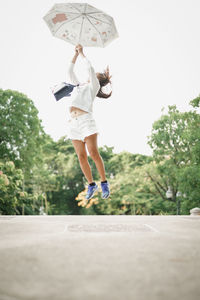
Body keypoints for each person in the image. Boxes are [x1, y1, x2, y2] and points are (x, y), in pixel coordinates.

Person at [66, 44, 112, 200]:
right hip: (73, 123)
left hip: (86, 121)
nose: (90, 76)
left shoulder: (94, 86)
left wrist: (82, 53)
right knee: (81, 156)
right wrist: (75, 55)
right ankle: (91, 185)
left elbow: (90, 68)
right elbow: (69, 72)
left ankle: (104, 182)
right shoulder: (79, 86)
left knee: (93, 153)